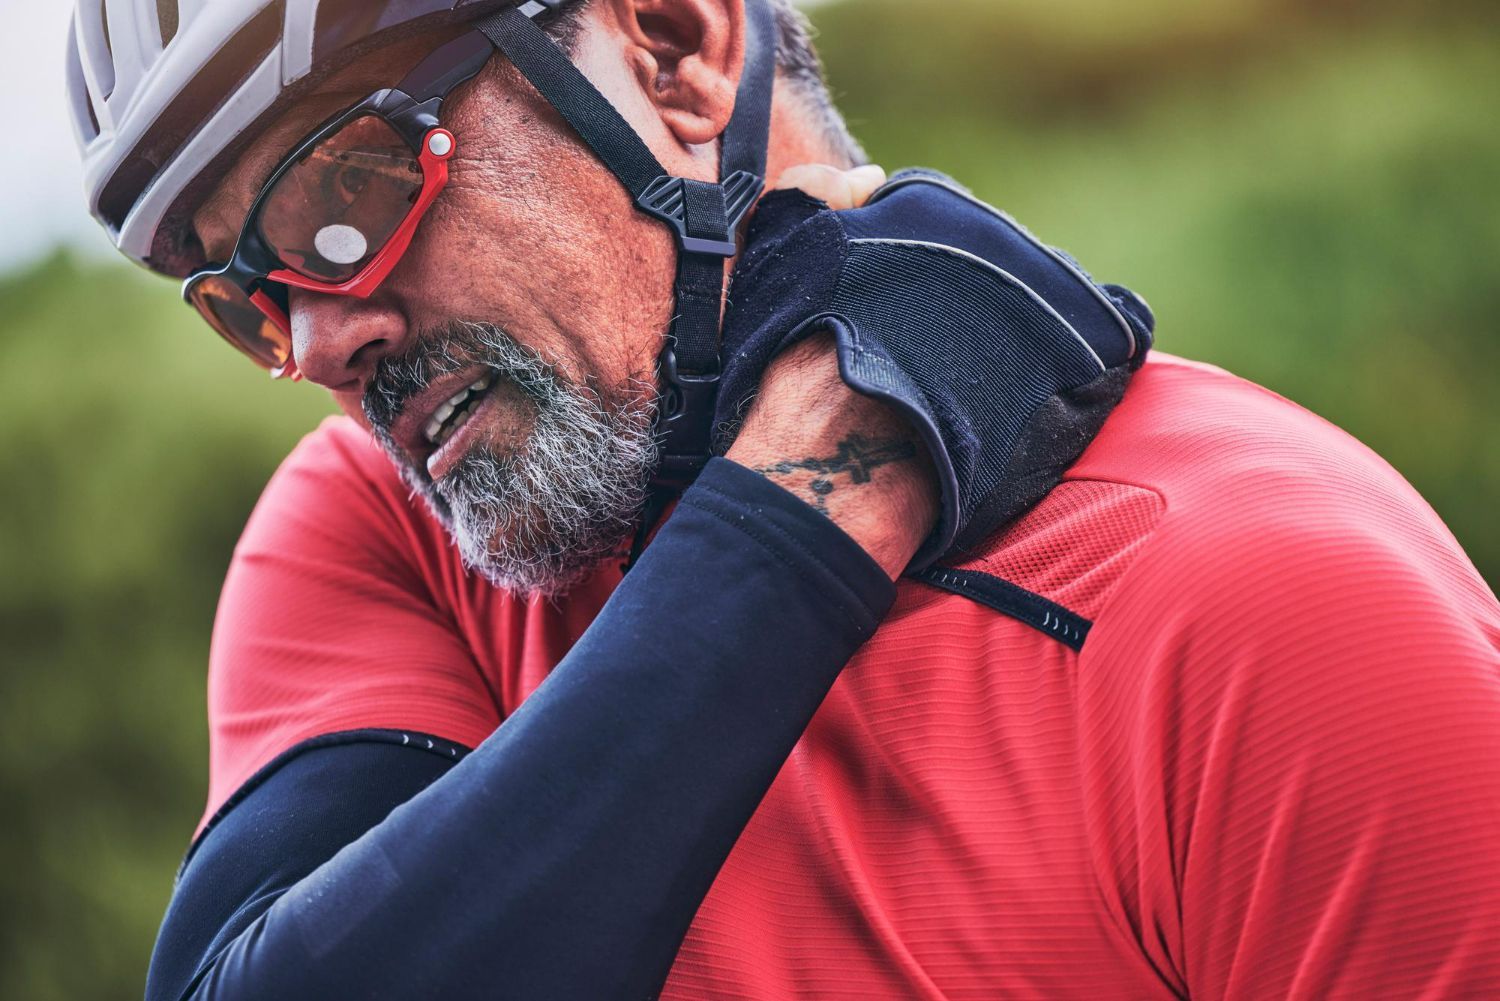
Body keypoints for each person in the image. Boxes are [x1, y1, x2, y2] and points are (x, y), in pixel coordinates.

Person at [68, 1, 1500, 998]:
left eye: (345, 193)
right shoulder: (386, 531)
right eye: (243, 297)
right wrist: (804, 514)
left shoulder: (1268, 613)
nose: (319, 344)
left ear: (675, 48)